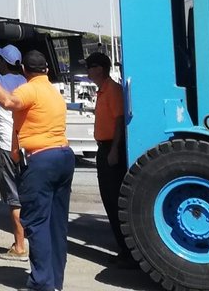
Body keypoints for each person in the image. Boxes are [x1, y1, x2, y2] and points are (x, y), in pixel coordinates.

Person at [0, 49, 74, 291]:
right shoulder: (53, 92)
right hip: (63, 156)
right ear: (46, 69)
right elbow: (23, 121)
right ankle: (55, 281)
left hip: (41, 160)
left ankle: (41, 283)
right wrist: (16, 151)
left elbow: (8, 102)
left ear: (25, 70)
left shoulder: (29, 89)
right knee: (57, 224)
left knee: (37, 223)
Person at [0, 44, 29, 259]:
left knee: (13, 198)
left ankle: (19, 246)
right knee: (27, 195)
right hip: (26, 146)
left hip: (8, 147)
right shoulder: (26, 83)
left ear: (2, 62)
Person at [86, 52, 133, 264]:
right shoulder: (103, 91)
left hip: (111, 148)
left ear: (100, 69)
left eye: (90, 66)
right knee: (108, 198)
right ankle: (124, 249)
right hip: (104, 147)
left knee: (114, 199)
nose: (87, 71)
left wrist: (114, 150)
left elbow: (119, 120)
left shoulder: (112, 90)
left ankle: (127, 251)